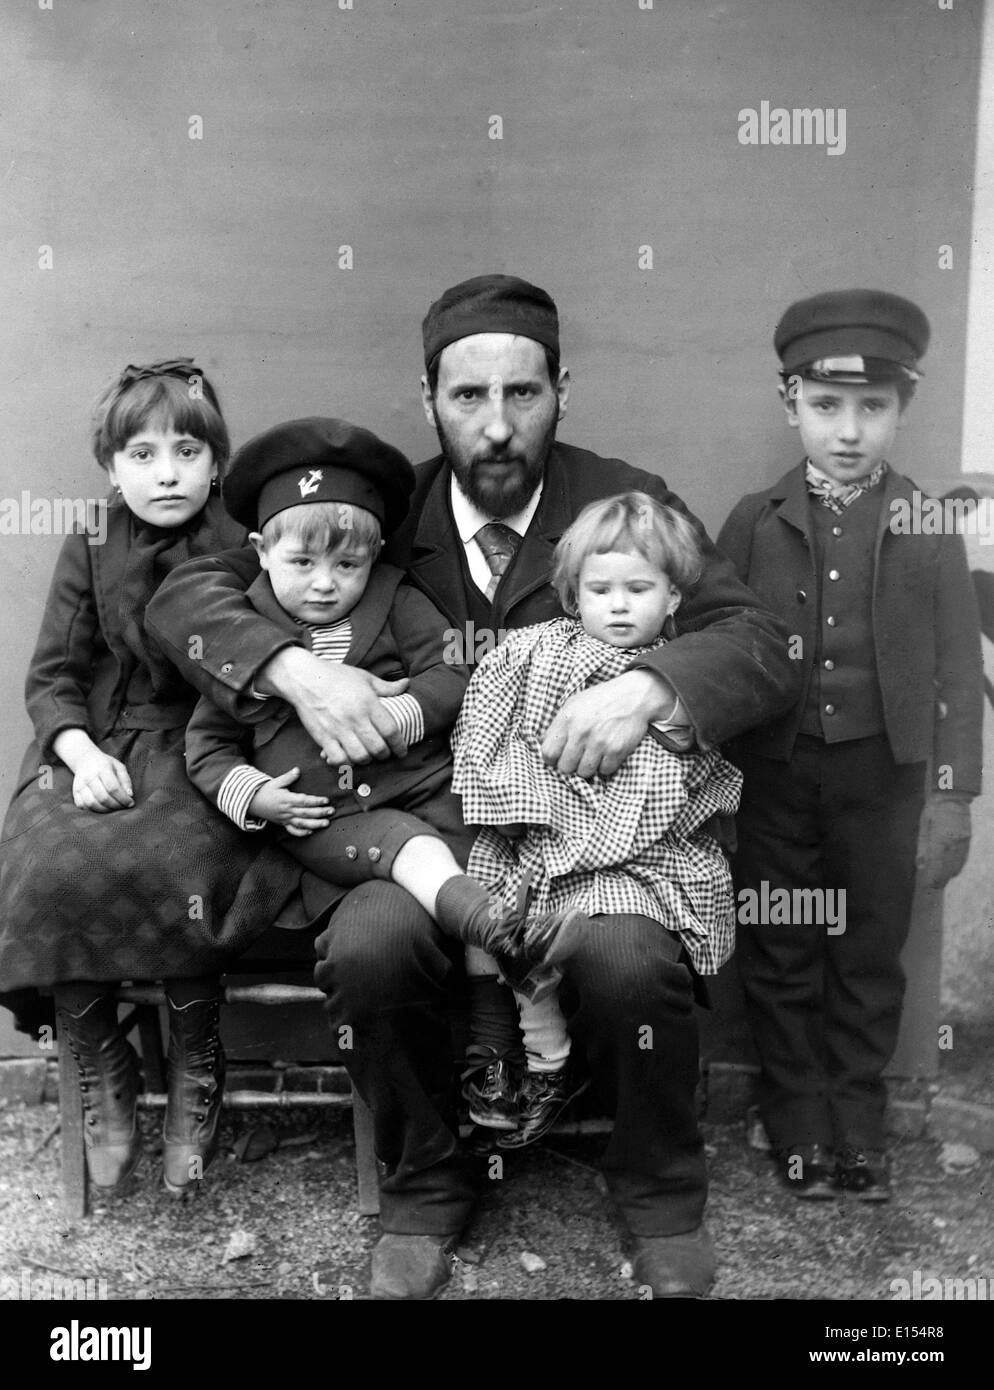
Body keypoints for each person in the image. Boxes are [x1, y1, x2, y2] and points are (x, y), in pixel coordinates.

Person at [146, 274, 801, 1299]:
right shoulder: (372, 510)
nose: (496, 427)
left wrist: (649, 683)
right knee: (370, 941)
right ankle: (425, 1187)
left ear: (562, 391)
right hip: (405, 824)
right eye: (466, 397)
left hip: (584, 835)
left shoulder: (618, 496)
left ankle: (658, 1194)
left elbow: (761, 641)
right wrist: (292, 667)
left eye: (523, 394)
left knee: (624, 951)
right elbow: (189, 591)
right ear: (427, 399)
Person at [0, 359, 297, 1197]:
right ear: (110, 467)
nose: (165, 472)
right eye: (140, 453)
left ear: (216, 463)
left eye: (186, 450)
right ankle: (107, 1069)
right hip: (101, 747)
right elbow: (52, 674)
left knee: (179, 864)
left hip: (209, 746)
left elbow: (264, 662)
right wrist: (81, 754)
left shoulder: (245, 543)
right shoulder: (91, 539)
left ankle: (196, 1075)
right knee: (49, 863)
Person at [717, 290, 983, 1203]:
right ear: (790, 402)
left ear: (902, 407)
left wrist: (952, 797)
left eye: (873, 408)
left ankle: (857, 1123)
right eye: (826, 407)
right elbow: (720, 654)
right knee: (782, 948)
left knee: (869, 950)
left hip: (886, 779)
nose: (849, 430)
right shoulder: (754, 523)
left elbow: (955, 668)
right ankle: (795, 1119)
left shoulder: (927, 525)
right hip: (776, 778)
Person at [184, 415, 585, 1005]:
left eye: (347, 565)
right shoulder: (243, 631)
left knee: (488, 851)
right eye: (302, 564)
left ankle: (499, 1026)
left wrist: (403, 716)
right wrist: (257, 797)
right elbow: (208, 745)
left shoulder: (396, 598)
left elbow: (454, 671)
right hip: (327, 818)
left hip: (423, 784)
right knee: (412, 850)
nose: (325, 584)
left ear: (373, 553)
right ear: (261, 552)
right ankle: (494, 931)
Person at [451, 491, 743, 1150]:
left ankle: (625, 1122)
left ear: (671, 598)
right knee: (492, 916)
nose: (618, 604)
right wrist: (533, 812)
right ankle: (532, 1057)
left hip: (641, 854)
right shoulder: (531, 654)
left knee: (603, 924)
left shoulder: (680, 673)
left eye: (638, 588)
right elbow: (491, 738)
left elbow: (682, 777)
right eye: (600, 588)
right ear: (571, 594)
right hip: (538, 836)